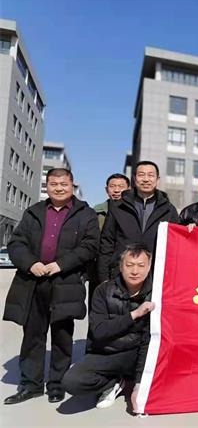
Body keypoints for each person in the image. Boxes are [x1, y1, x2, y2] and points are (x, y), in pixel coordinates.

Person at [3, 168, 99, 405]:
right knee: (33, 336)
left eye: (63, 184)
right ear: (47, 186)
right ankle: (31, 385)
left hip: (65, 283)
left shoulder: (85, 214)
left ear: (72, 185)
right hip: (34, 282)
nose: (59, 188)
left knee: (62, 337)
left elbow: (90, 246)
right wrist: (31, 263)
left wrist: (61, 264)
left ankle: (57, 384)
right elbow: (16, 243)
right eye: (54, 184)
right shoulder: (34, 212)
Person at [62, 244, 154, 411]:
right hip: (109, 352)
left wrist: (139, 385)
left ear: (149, 267)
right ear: (121, 266)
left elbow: (147, 341)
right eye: (129, 265)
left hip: (138, 354)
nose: (135, 271)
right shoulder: (104, 291)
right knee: (71, 381)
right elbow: (99, 330)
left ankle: (135, 380)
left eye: (141, 265)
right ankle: (112, 383)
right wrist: (134, 315)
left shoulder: (156, 294)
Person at [98, 161, 179, 284]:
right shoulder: (118, 207)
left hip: (154, 278)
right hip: (120, 276)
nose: (146, 179)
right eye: (141, 175)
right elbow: (106, 244)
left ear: (157, 179)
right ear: (134, 178)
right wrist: (104, 279)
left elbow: (175, 246)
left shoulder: (169, 210)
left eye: (150, 175)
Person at [88, 173, 131, 310]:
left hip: (124, 267)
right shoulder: (96, 212)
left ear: (129, 189)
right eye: (112, 186)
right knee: (97, 307)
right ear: (107, 190)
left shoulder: (133, 211)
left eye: (121, 186)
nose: (116, 190)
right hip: (99, 268)